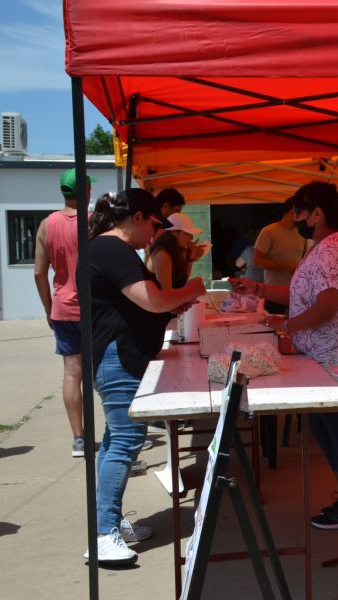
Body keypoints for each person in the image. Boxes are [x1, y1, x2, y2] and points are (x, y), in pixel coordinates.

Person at [230, 182, 338, 529]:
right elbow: (303, 292)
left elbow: (326, 305)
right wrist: (258, 288)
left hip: (337, 354)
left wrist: (288, 326)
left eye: (298, 211)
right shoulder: (321, 246)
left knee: (336, 430)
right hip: (324, 354)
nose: (295, 218)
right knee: (322, 426)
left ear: (317, 213)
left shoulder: (331, 249)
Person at [86, 189, 206, 564]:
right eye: (155, 224)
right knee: (125, 440)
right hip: (117, 357)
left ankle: (111, 520)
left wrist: (173, 305)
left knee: (116, 440)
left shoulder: (115, 251)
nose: (156, 234)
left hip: (119, 354)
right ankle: (104, 534)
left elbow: (143, 304)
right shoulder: (111, 250)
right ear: (137, 217)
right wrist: (191, 290)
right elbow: (152, 299)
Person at [33, 168, 94, 457]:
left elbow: (38, 273)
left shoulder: (46, 225)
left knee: (72, 373)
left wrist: (48, 309)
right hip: (94, 309)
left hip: (62, 309)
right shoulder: (94, 223)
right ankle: (117, 433)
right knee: (106, 372)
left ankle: (79, 439)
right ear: (86, 191)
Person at [254, 196, 310, 315]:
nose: (305, 217)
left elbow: (305, 259)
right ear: (292, 212)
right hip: (273, 294)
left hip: (296, 293)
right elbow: (257, 261)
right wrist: (285, 266)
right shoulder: (269, 231)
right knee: (274, 331)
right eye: (303, 212)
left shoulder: (302, 233)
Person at [145, 213, 205, 290]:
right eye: (187, 233)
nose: (191, 237)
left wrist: (190, 259)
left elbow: (181, 283)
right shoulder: (162, 254)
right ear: (173, 232)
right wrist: (190, 293)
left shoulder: (178, 250)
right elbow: (167, 293)